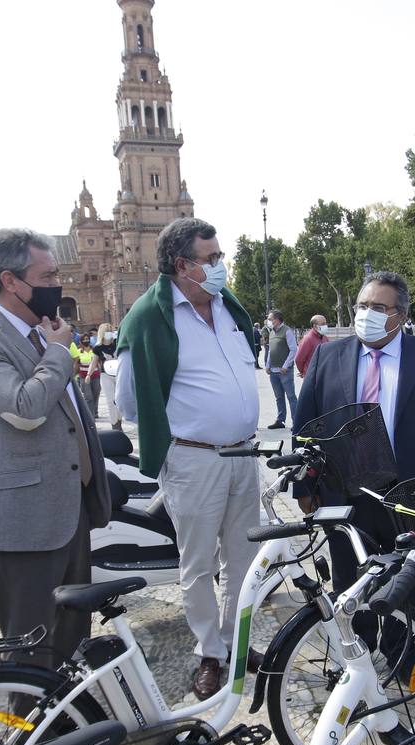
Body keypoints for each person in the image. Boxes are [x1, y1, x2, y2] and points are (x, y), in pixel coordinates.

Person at [0, 227, 111, 671]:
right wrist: (60, 353)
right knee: (31, 649)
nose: (58, 282)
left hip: (66, 508)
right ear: (11, 281)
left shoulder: (41, 330)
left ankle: (67, 726)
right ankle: (28, 735)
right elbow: (27, 407)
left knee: (72, 637)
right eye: (48, 275)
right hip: (23, 519)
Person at [114, 218, 262, 699]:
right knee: (198, 564)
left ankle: (235, 643)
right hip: (194, 461)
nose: (221, 266)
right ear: (182, 266)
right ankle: (210, 654)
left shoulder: (227, 308)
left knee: (243, 560)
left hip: (244, 455)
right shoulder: (148, 317)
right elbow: (130, 400)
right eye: (212, 259)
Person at [295, 271, 415, 663]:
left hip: (409, 496)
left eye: (378, 307)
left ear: (401, 316)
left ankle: (403, 656)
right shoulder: (328, 356)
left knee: (406, 584)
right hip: (344, 493)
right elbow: (305, 427)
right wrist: (305, 490)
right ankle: (356, 661)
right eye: (362, 305)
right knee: (348, 583)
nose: (366, 314)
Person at [264, 308, 298, 429]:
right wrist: (267, 365)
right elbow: (270, 351)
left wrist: (285, 366)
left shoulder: (287, 331)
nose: (268, 321)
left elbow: (293, 349)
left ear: (277, 320)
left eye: (270, 319)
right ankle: (280, 420)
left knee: (291, 397)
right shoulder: (271, 332)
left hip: (285, 371)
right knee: (279, 397)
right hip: (273, 371)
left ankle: (297, 422)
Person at [94, 321, 122, 430]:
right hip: (105, 375)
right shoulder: (98, 348)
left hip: (118, 373)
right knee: (111, 400)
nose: (109, 333)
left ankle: (119, 421)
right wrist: (89, 374)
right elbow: (94, 361)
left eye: (111, 331)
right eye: (107, 331)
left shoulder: (117, 342)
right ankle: (114, 424)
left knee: (119, 399)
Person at [71, 330, 102, 418]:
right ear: (80, 341)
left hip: (95, 375)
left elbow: (99, 362)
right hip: (83, 376)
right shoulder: (78, 351)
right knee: (88, 396)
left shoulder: (94, 350)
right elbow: (76, 363)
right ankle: (90, 415)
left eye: (87, 339)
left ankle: (95, 411)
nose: (86, 341)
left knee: (96, 393)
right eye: (84, 339)